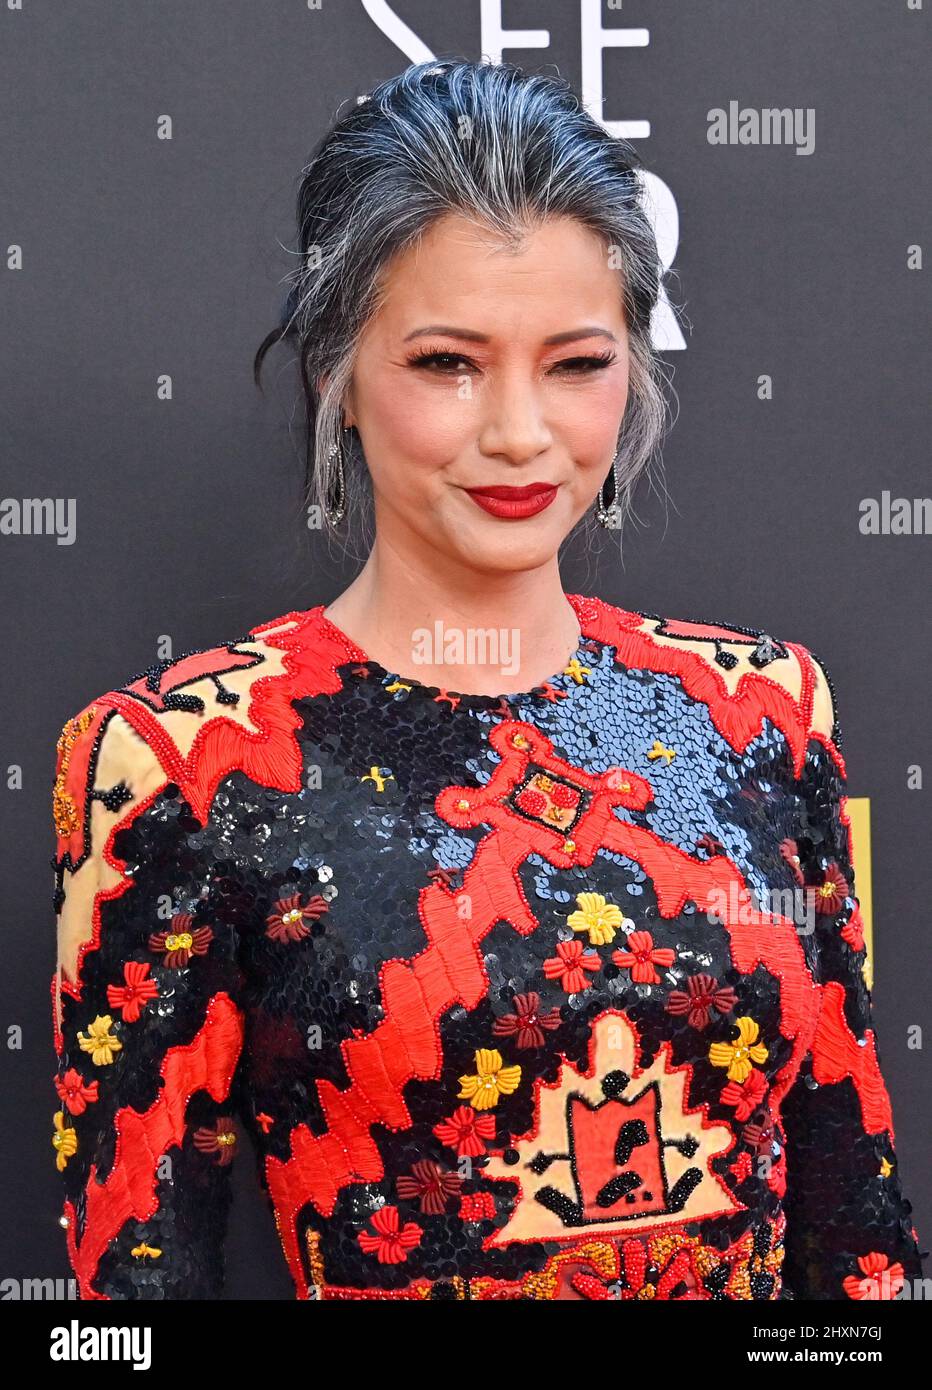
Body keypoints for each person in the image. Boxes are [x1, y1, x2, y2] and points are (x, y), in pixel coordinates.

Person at [50, 57, 922, 1301]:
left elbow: (859, 1243)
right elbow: (126, 1308)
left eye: (575, 363)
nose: (518, 430)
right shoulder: (183, 762)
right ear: (335, 376)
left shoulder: (765, 712)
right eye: (448, 363)